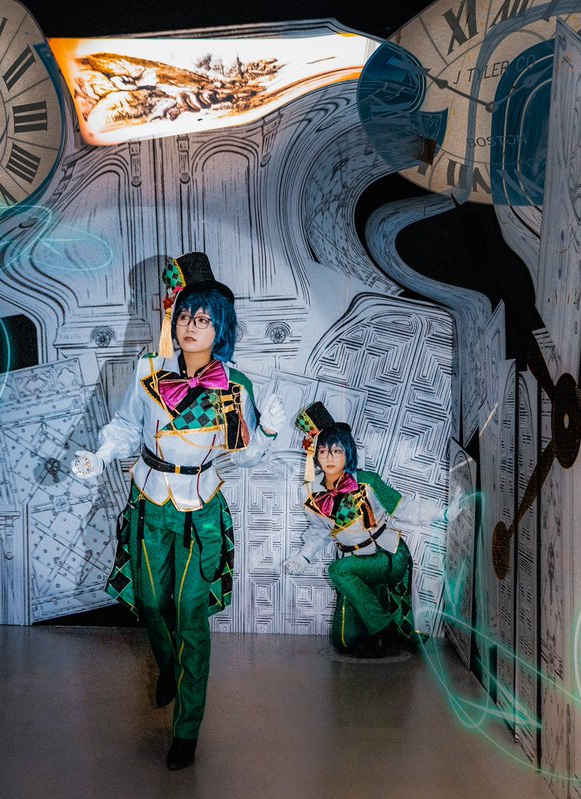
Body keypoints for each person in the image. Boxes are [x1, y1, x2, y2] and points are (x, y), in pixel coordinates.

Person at [71, 252, 286, 770]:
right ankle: (168, 667)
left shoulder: (235, 387)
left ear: (220, 329)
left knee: (191, 616)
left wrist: (268, 431)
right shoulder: (148, 370)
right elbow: (127, 426)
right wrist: (101, 454)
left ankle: (186, 730)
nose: (190, 325)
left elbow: (243, 454)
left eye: (203, 318)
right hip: (149, 501)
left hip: (200, 509)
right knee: (149, 603)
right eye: (185, 315)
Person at [284, 402, 441, 657]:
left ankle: (384, 629)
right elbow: (320, 530)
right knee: (345, 641)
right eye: (322, 451)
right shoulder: (312, 492)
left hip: (386, 555)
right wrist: (303, 556)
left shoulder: (367, 482)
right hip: (353, 562)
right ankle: (379, 631)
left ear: (347, 452)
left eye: (336, 451)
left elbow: (403, 507)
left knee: (338, 570)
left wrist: (441, 513)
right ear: (315, 455)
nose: (329, 458)